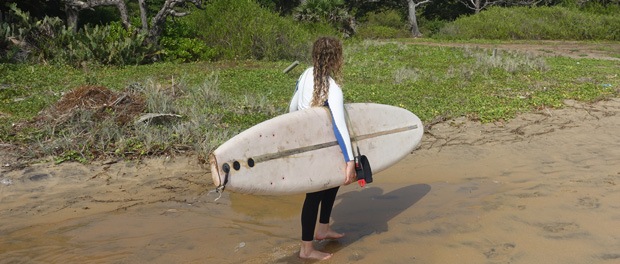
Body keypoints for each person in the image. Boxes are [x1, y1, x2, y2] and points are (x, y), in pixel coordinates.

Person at [288, 36, 357, 260]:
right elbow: (339, 126)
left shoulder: (304, 75)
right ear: (337, 58)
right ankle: (306, 249)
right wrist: (350, 161)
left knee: (331, 183)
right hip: (320, 147)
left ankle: (323, 229)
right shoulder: (333, 89)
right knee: (314, 195)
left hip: (307, 143)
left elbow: (291, 108)